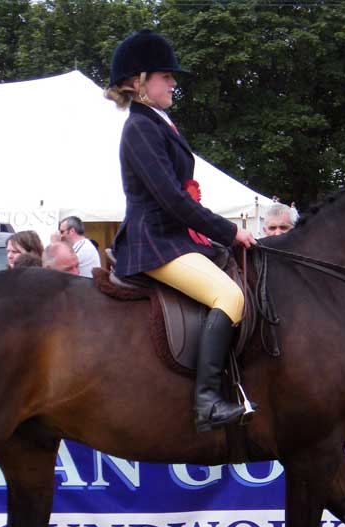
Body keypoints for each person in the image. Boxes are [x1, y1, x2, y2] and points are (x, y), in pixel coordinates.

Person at [104, 29, 258, 432]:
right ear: (140, 81)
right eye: (166, 75)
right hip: (153, 242)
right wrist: (228, 231)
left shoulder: (159, 122)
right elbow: (172, 199)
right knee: (229, 295)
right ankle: (206, 402)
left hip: (172, 239)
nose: (174, 82)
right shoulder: (139, 128)